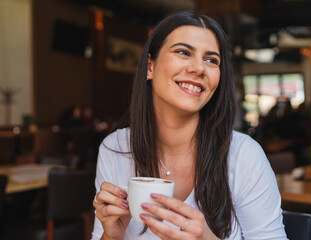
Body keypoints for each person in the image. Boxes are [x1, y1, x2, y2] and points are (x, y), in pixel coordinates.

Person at [92, 11, 286, 240]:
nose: (199, 68)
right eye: (183, 52)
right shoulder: (115, 148)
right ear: (149, 67)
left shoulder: (244, 156)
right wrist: (111, 236)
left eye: (211, 60)